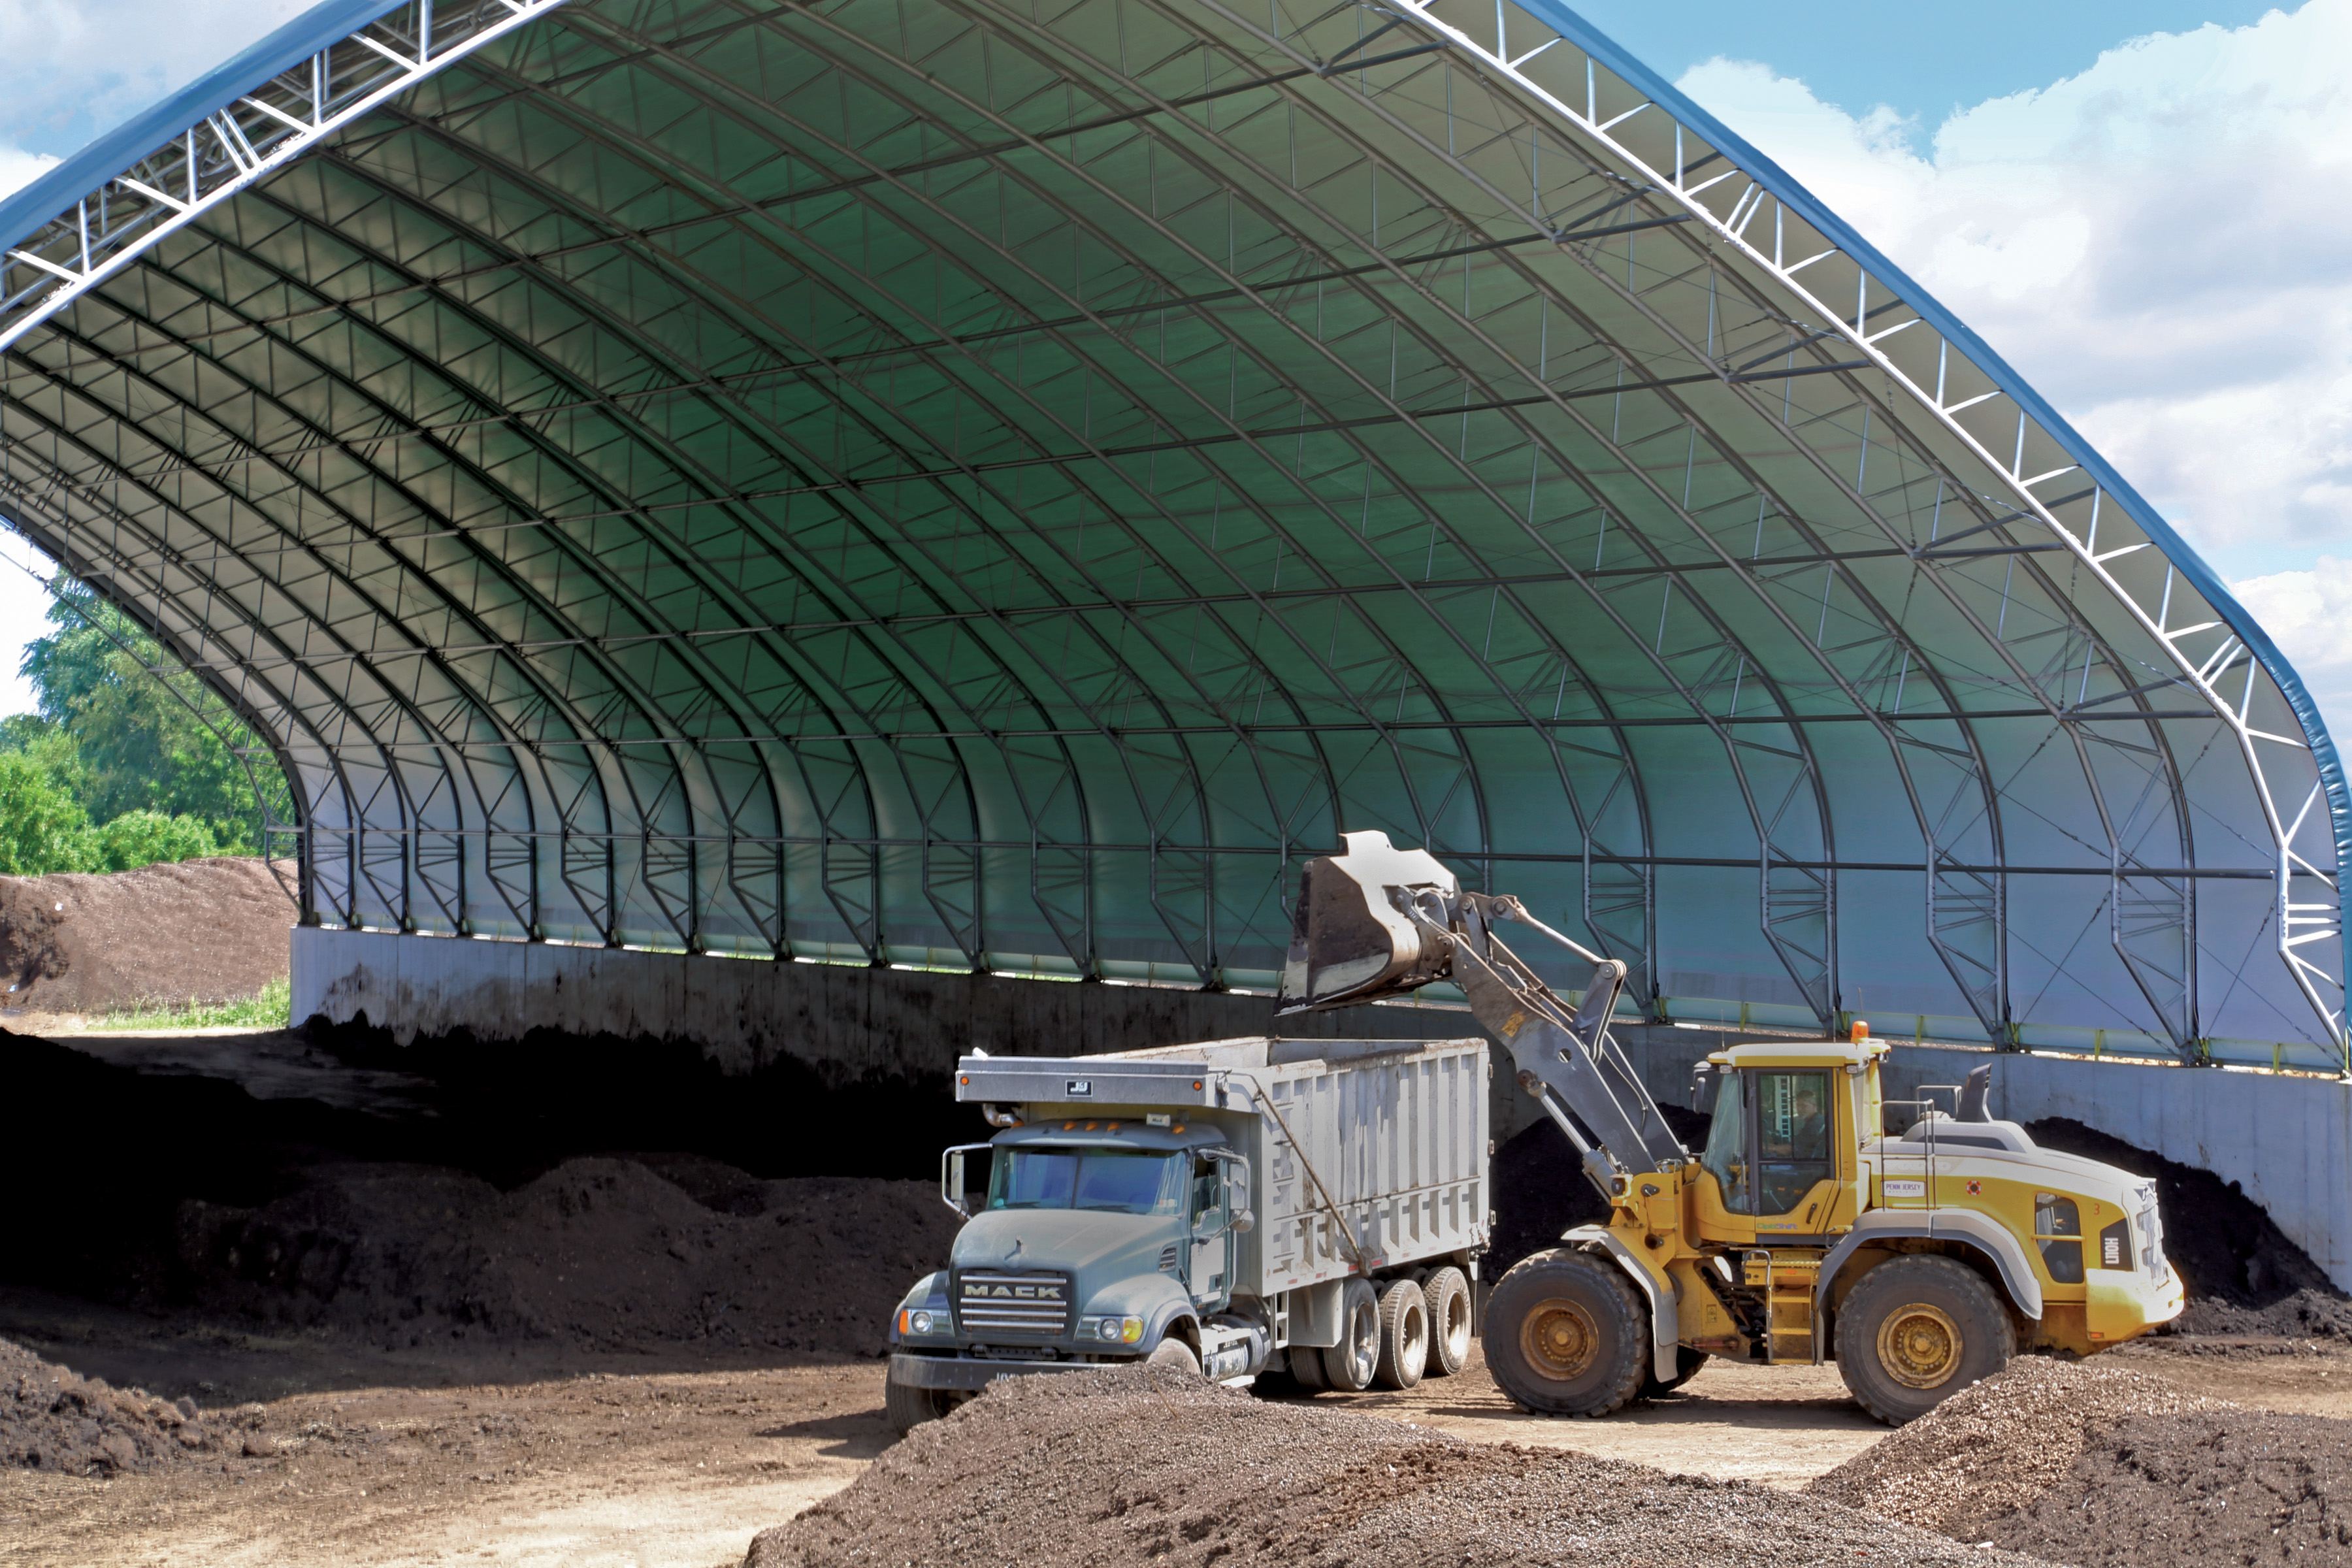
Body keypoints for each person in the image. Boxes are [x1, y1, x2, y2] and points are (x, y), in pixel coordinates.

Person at [1791, 1089, 1828, 1160]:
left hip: (1807, 1168)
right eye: (1798, 1105)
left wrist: (1768, 1148)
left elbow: (1790, 1149)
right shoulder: (1818, 1120)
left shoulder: (1814, 1125)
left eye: (1804, 1106)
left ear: (1814, 1105)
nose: (1799, 1109)